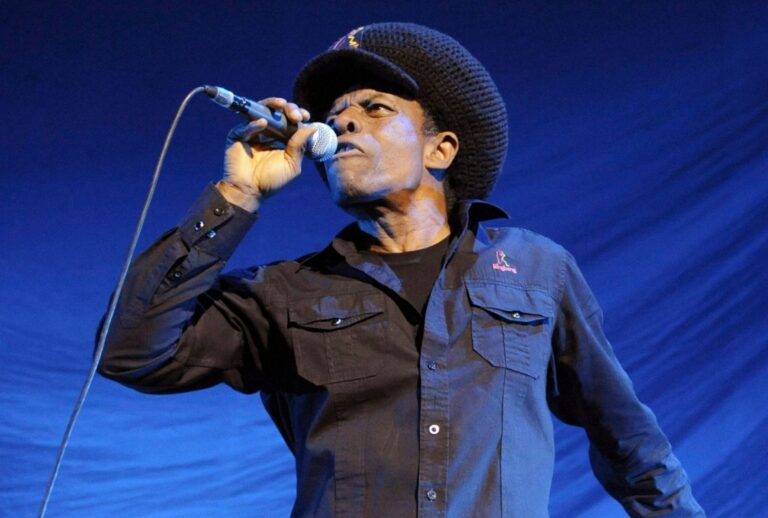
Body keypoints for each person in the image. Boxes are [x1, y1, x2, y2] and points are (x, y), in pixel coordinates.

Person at [99, 22, 704, 517]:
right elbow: (128, 353)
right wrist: (238, 195)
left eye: (374, 108)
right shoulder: (284, 293)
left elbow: (630, 442)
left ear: (440, 149)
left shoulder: (536, 269)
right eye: (334, 114)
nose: (342, 122)